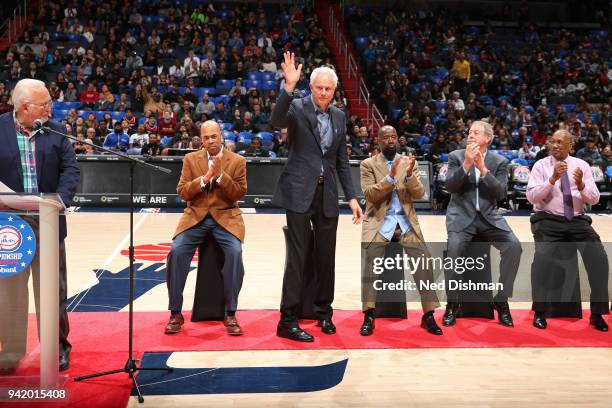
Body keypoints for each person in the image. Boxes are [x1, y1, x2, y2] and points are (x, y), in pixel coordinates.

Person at [270, 52, 363, 342]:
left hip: (327, 194)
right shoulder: (297, 107)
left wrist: (352, 197)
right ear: (311, 87)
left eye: (328, 89)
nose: (323, 93)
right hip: (299, 192)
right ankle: (288, 319)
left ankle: (324, 313)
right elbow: (275, 121)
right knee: (298, 258)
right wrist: (288, 86)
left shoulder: (338, 115)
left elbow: (341, 160)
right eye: (319, 87)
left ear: (334, 91)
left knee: (326, 257)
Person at [0, 78, 80, 372]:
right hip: (9, 225)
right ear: (25, 107)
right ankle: (10, 351)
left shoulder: (56, 131)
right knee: (10, 291)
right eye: (45, 103)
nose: (51, 107)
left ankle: (57, 348)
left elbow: (70, 169)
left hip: (48, 219)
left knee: (53, 291)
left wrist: (60, 200)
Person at [165, 120, 247, 336]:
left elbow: (239, 194)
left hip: (226, 216)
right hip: (195, 217)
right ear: (200, 139)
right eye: (206, 138)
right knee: (176, 252)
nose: (210, 141)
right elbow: (182, 192)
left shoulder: (237, 160)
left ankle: (230, 312)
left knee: (235, 253)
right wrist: (205, 178)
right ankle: (175, 312)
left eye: (214, 136)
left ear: (221, 136)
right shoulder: (190, 159)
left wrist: (220, 176)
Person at [359, 125, 442, 336]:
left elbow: (420, 193)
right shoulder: (368, 164)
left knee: (423, 261)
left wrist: (407, 177)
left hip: (405, 223)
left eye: (393, 137)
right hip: (380, 222)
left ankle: (428, 315)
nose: (390, 141)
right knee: (370, 261)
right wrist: (390, 178)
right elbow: (370, 195)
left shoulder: (408, 162)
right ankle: (369, 314)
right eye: (385, 137)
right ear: (378, 141)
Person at [526, 129, 609, 331]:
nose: (555, 146)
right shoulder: (541, 165)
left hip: (577, 221)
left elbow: (595, 199)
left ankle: (597, 314)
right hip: (548, 220)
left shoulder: (582, 166)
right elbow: (532, 198)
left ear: (571, 146)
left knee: (599, 258)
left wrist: (580, 184)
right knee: (542, 259)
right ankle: (540, 311)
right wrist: (552, 179)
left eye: (560, 142)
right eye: (552, 142)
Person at [443, 120, 522, 327]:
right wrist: (467, 164)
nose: (470, 135)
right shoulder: (455, 156)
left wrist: (483, 169)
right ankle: (452, 304)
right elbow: (450, 186)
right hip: (461, 215)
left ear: (487, 138)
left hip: (489, 216)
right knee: (453, 252)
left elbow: (501, 193)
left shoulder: (499, 162)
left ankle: (502, 300)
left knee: (514, 246)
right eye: (469, 132)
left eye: (476, 133)